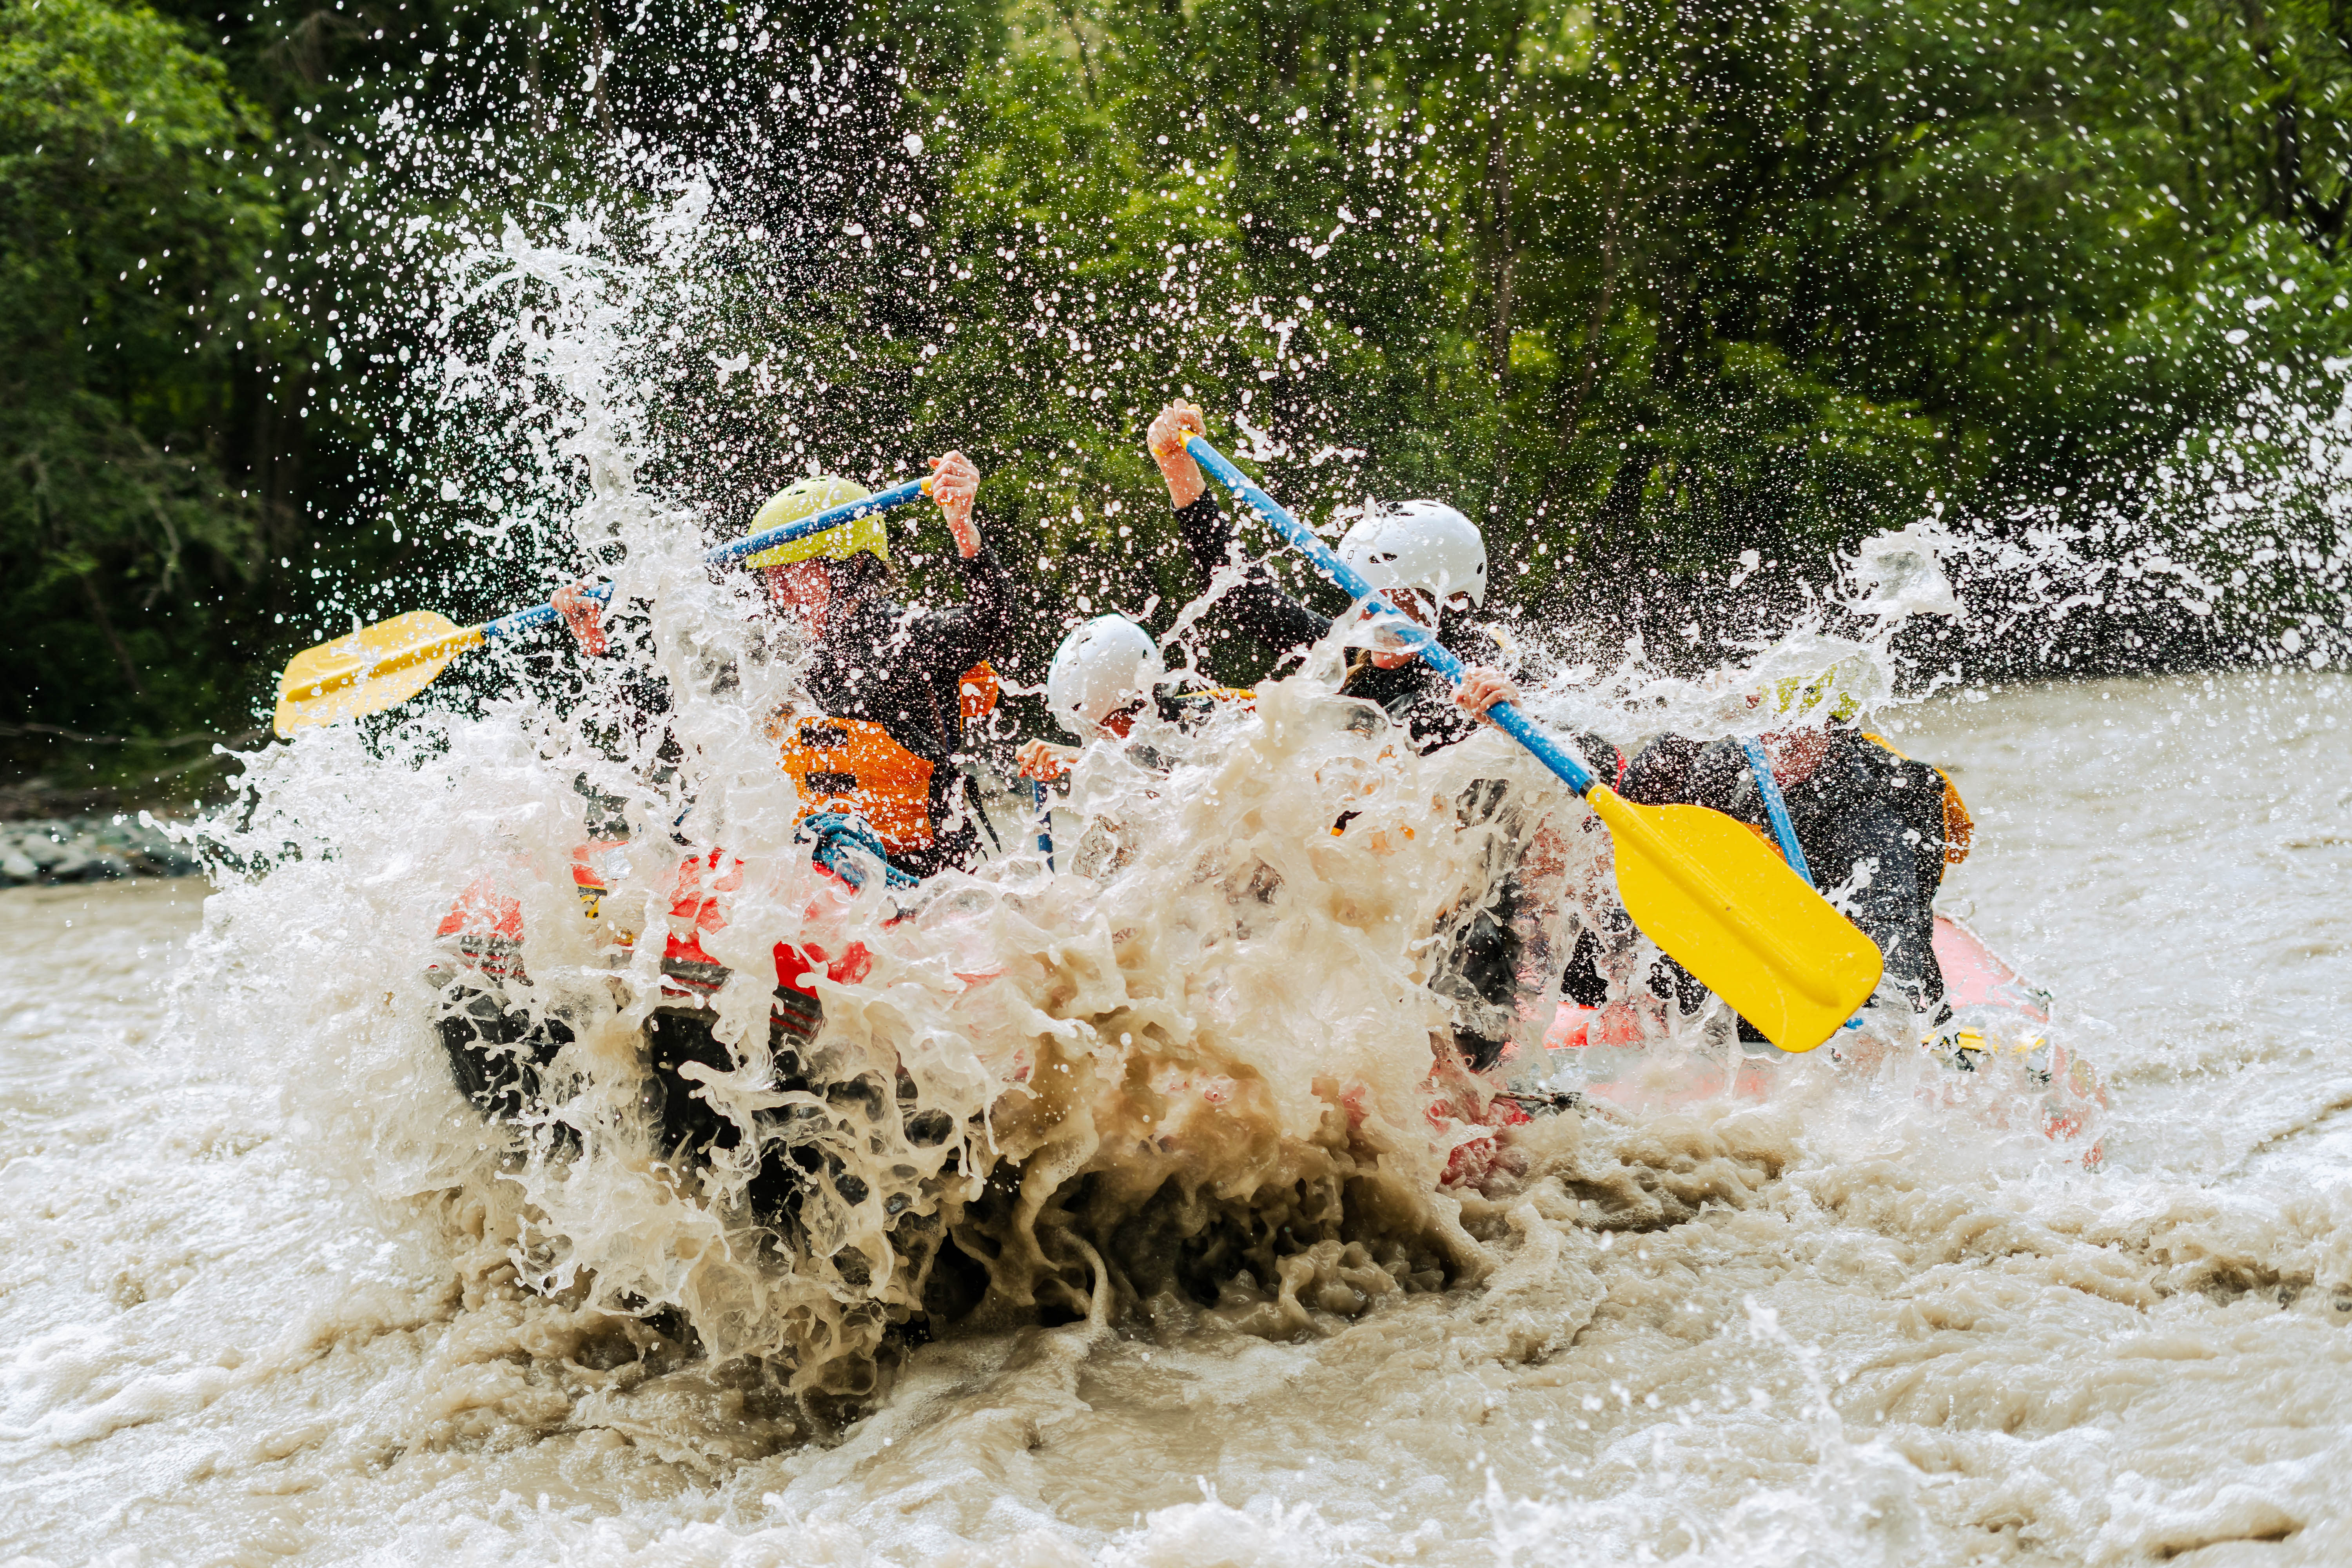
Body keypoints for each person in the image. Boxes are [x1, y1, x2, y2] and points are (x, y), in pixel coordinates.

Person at [553, 452, 1007, 882]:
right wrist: (598, 645)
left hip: (919, 874)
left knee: (834, 841)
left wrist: (962, 525)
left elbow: (992, 621)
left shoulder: (909, 639)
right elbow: (670, 714)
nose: (783, 595)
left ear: (849, 566)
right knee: (690, 828)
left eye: (796, 574)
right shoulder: (773, 657)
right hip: (809, 869)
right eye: (774, 579)